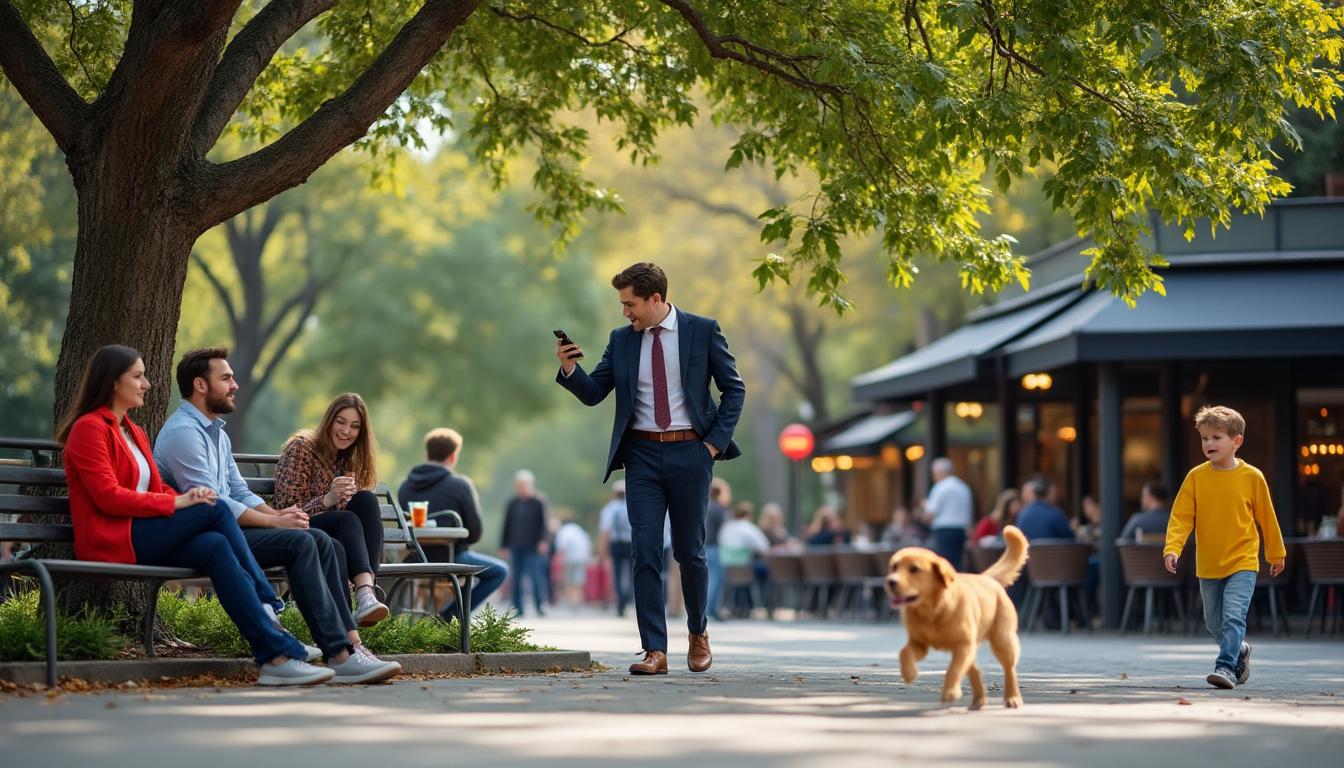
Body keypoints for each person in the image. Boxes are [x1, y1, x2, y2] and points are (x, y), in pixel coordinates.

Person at [57, 345, 331, 686]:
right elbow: (108, 498)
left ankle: (274, 657)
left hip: (145, 534)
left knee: (215, 543)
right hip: (112, 540)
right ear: (113, 382)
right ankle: (267, 607)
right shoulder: (89, 429)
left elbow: (156, 489)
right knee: (213, 508)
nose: (147, 384)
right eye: (138, 376)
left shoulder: (134, 432)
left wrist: (186, 497)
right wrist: (179, 503)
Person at [155, 347, 400, 684]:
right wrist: (275, 522)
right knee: (303, 542)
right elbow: (211, 504)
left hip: (227, 530)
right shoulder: (184, 433)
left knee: (319, 539)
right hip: (200, 535)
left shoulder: (217, 435)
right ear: (200, 385)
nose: (235, 384)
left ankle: (343, 650)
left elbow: (239, 492)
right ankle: (329, 651)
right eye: (225, 378)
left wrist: (279, 515)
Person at [555, 261, 745, 676]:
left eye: (631, 304)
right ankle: (654, 650)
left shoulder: (702, 329)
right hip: (641, 456)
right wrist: (570, 369)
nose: (625, 312)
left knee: (690, 553)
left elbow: (734, 389)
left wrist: (712, 444)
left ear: (655, 298)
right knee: (644, 549)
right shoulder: (621, 341)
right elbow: (594, 393)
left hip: (692, 453)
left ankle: (698, 633)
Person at [1164, 405, 1286, 690]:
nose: (1209, 443)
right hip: (1208, 563)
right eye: (1205, 438)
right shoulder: (1196, 477)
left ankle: (1226, 667)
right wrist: (1173, 548)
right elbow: (1181, 517)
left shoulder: (1252, 477)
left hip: (1243, 561)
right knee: (1212, 622)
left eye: (1216, 437)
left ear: (1236, 441)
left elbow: (1267, 517)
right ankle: (1240, 648)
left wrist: (1276, 553)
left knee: (1233, 616)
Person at [273, 393, 389, 627]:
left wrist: (344, 498)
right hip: (295, 529)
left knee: (366, 500)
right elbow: (285, 510)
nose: (347, 431)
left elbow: (350, 513)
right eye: (341, 422)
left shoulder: (347, 459)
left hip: (332, 532)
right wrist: (328, 499)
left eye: (355, 426)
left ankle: (367, 592)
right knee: (345, 520)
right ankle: (365, 594)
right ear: (329, 420)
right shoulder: (301, 448)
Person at [397, 427, 509, 618]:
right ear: (453, 456)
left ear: (427, 453)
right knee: (500, 571)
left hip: (414, 559)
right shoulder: (460, 485)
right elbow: (475, 533)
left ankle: (442, 617)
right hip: (451, 558)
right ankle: (449, 617)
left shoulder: (405, 486)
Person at [500, 469, 549, 617]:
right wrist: (503, 545)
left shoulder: (539, 501)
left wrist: (543, 541)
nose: (522, 487)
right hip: (516, 545)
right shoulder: (512, 503)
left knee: (536, 577)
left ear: (530, 484)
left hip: (534, 546)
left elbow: (544, 524)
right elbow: (506, 525)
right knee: (516, 577)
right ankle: (517, 607)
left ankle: (540, 605)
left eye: (524, 484)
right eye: (519, 484)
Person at [919, 457, 974, 570]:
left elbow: (929, 514)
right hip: (960, 531)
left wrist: (924, 507)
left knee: (944, 566)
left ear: (939, 472)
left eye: (934, 473)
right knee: (957, 565)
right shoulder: (963, 487)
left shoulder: (940, 487)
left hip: (944, 531)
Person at [718, 501, 771, 615]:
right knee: (765, 572)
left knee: (745, 575)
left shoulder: (726, 527)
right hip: (746, 569)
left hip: (728, 569)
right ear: (749, 515)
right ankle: (761, 605)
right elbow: (764, 547)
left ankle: (738, 605)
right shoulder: (749, 528)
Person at [597, 481, 634, 616]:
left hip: (616, 543)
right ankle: (628, 596)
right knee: (632, 573)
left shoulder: (609, 509)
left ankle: (620, 597)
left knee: (617, 573)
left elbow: (605, 531)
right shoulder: (634, 505)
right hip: (631, 543)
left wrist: (602, 550)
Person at [1014, 475, 1075, 541]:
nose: (1056, 496)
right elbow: (1071, 540)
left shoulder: (1022, 515)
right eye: (1054, 492)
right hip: (1053, 551)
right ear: (1049, 493)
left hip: (1030, 551)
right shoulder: (1056, 514)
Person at [704, 479, 732, 622]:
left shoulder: (704, 506)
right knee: (717, 578)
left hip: (703, 545)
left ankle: (706, 608)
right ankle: (712, 608)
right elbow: (727, 529)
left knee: (707, 579)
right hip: (715, 546)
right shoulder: (721, 509)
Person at [553, 514, 593, 607]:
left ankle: (571, 601)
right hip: (582, 557)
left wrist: (560, 560)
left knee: (569, 580)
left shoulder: (563, 531)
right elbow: (587, 543)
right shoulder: (579, 530)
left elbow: (562, 547)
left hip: (569, 558)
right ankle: (577, 600)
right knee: (578, 580)